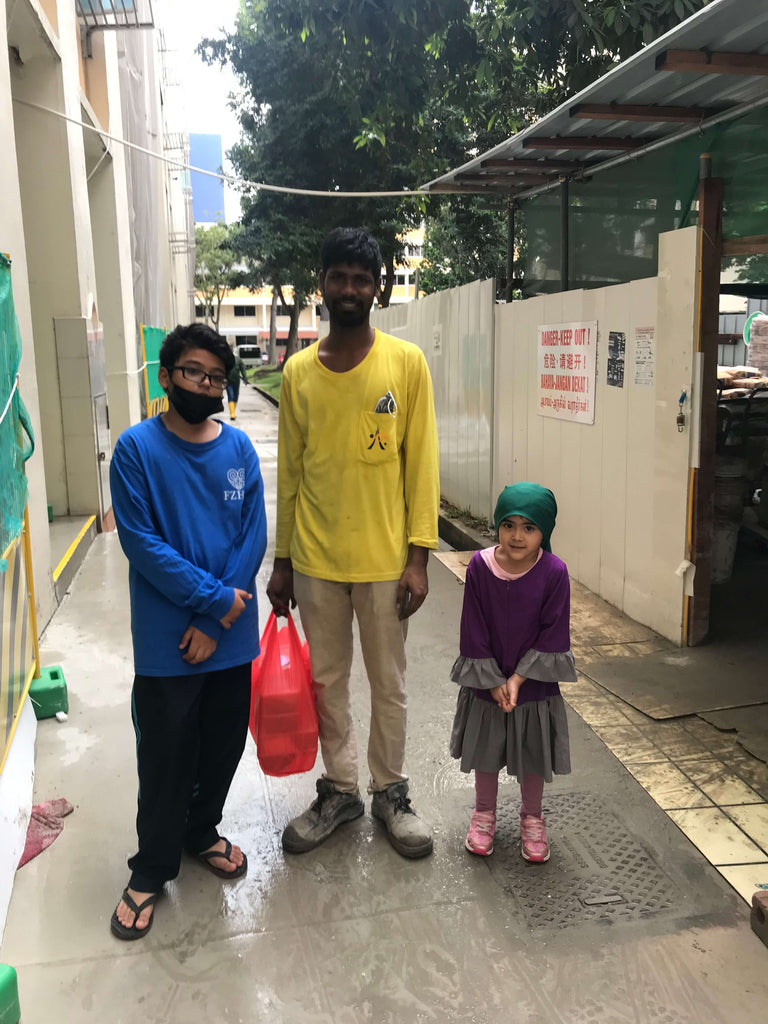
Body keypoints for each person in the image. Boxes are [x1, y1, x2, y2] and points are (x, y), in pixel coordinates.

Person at [267, 226, 439, 859]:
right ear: (322, 284)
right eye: (338, 276)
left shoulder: (406, 363)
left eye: (361, 279)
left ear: (377, 288)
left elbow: (421, 466)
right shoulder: (298, 373)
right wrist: (282, 561)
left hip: (385, 563)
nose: (348, 288)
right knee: (327, 681)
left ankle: (390, 791)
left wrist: (418, 559)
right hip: (315, 561)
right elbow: (291, 473)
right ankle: (340, 790)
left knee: (389, 684)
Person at [108, 322, 267, 939]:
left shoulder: (240, 449)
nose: (205, 385)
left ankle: (201, 831)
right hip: (167, 641)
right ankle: (151, 867)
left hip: (229, 633)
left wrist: (215, 617)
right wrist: (209, 602)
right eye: (194, 372)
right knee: (167, 755)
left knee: (223, 745)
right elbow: (141, 542)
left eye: (216, 377)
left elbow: (252, 536)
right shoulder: (136, 449)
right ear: (167, 376)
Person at [449, 482, 576, 862]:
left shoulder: (554, 573)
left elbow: (553, 631)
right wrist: (492, 681)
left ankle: (532, 818)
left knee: (533, 752)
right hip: (487, 679)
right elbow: (473, 626)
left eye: (529, 527)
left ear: (544, 531)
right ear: (497, 525)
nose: (517, 536)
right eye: (508, 525)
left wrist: (518, 678)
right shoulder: (479, 567)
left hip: (533, 684)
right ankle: (483, 815)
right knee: (487, 751)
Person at [226, 349, 248, 420]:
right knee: (231, 396)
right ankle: (232, 414)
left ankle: (233, 411)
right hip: (228, 381)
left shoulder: (238, 360)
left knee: (235, 396)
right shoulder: (226, 360)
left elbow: (243, 369)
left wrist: (245, 378)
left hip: (236, 381)